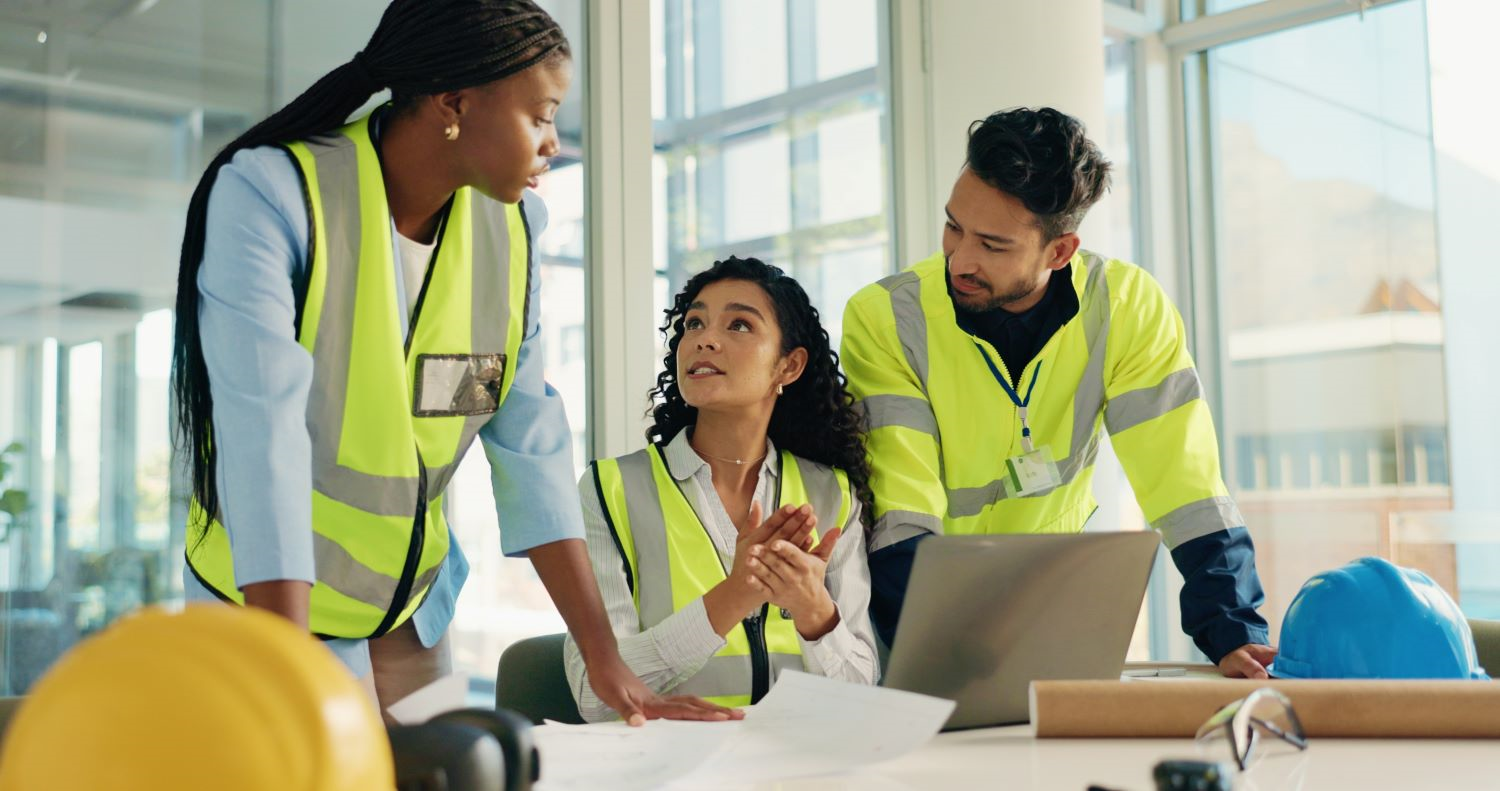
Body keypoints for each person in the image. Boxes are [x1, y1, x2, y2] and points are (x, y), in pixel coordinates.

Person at [171, 0, 721, 722]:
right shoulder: (276, 195)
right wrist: (285, 670)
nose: (554, 141)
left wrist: (606, 659)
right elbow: (261, 437)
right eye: (542, 115)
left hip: (408, 606)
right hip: (270, 603)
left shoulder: (513, 231)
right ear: (455, 102)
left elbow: (532, 449)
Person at [842, 107, 1277, 678]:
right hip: (919, 630)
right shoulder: (886, 318)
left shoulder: (1126, 308)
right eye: (954, 227)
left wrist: (1232, 628)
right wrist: (954, 655)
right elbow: (902, 510)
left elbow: (1186, 485)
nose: (960, 259)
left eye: (993, 245)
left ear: (1059, 252)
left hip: (1042, 621)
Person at [565, 257, 879, 719]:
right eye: (694, 323)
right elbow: (595, 697)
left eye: (738, 325)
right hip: (671, 770)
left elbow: (862, 695)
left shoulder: (832, 493)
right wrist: (737, 595)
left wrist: (814, 612)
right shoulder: (610, 489)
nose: (704, 339)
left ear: (788, 366)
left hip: (799, 768)